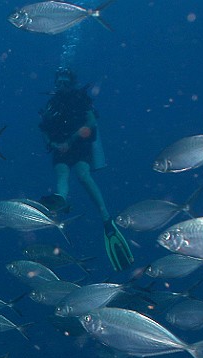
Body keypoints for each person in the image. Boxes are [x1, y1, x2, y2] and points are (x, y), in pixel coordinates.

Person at [37, 67, 133, 271]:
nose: (61, 86)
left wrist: (72, 139)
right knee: (62, 175)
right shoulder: (52, 103)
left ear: (71, 84)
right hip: (61, 146)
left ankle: (106, 217)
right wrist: (55, 144)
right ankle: (61, 198)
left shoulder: (81, 99)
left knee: (82, 174)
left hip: (79, 146)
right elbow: (44, 129)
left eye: (65, 83)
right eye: (59, 82)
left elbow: (90, 122)